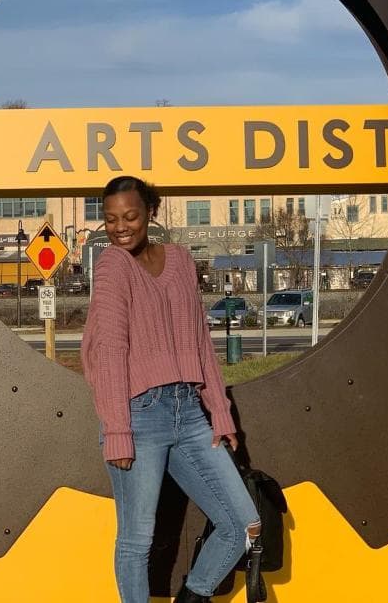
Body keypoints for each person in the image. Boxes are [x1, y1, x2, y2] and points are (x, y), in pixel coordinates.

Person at [81, 176, 261, 603]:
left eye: (130, 216)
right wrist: (118, 431)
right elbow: (109, 351)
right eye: (110, 219)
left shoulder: (180, 261)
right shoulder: (112, 264)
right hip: (138, 416)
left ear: (150, 214)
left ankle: (192, 596)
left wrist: (219, 413)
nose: (120, 227)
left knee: (243, 523)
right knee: (136, 540)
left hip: (190, 414)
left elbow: (200, 342)